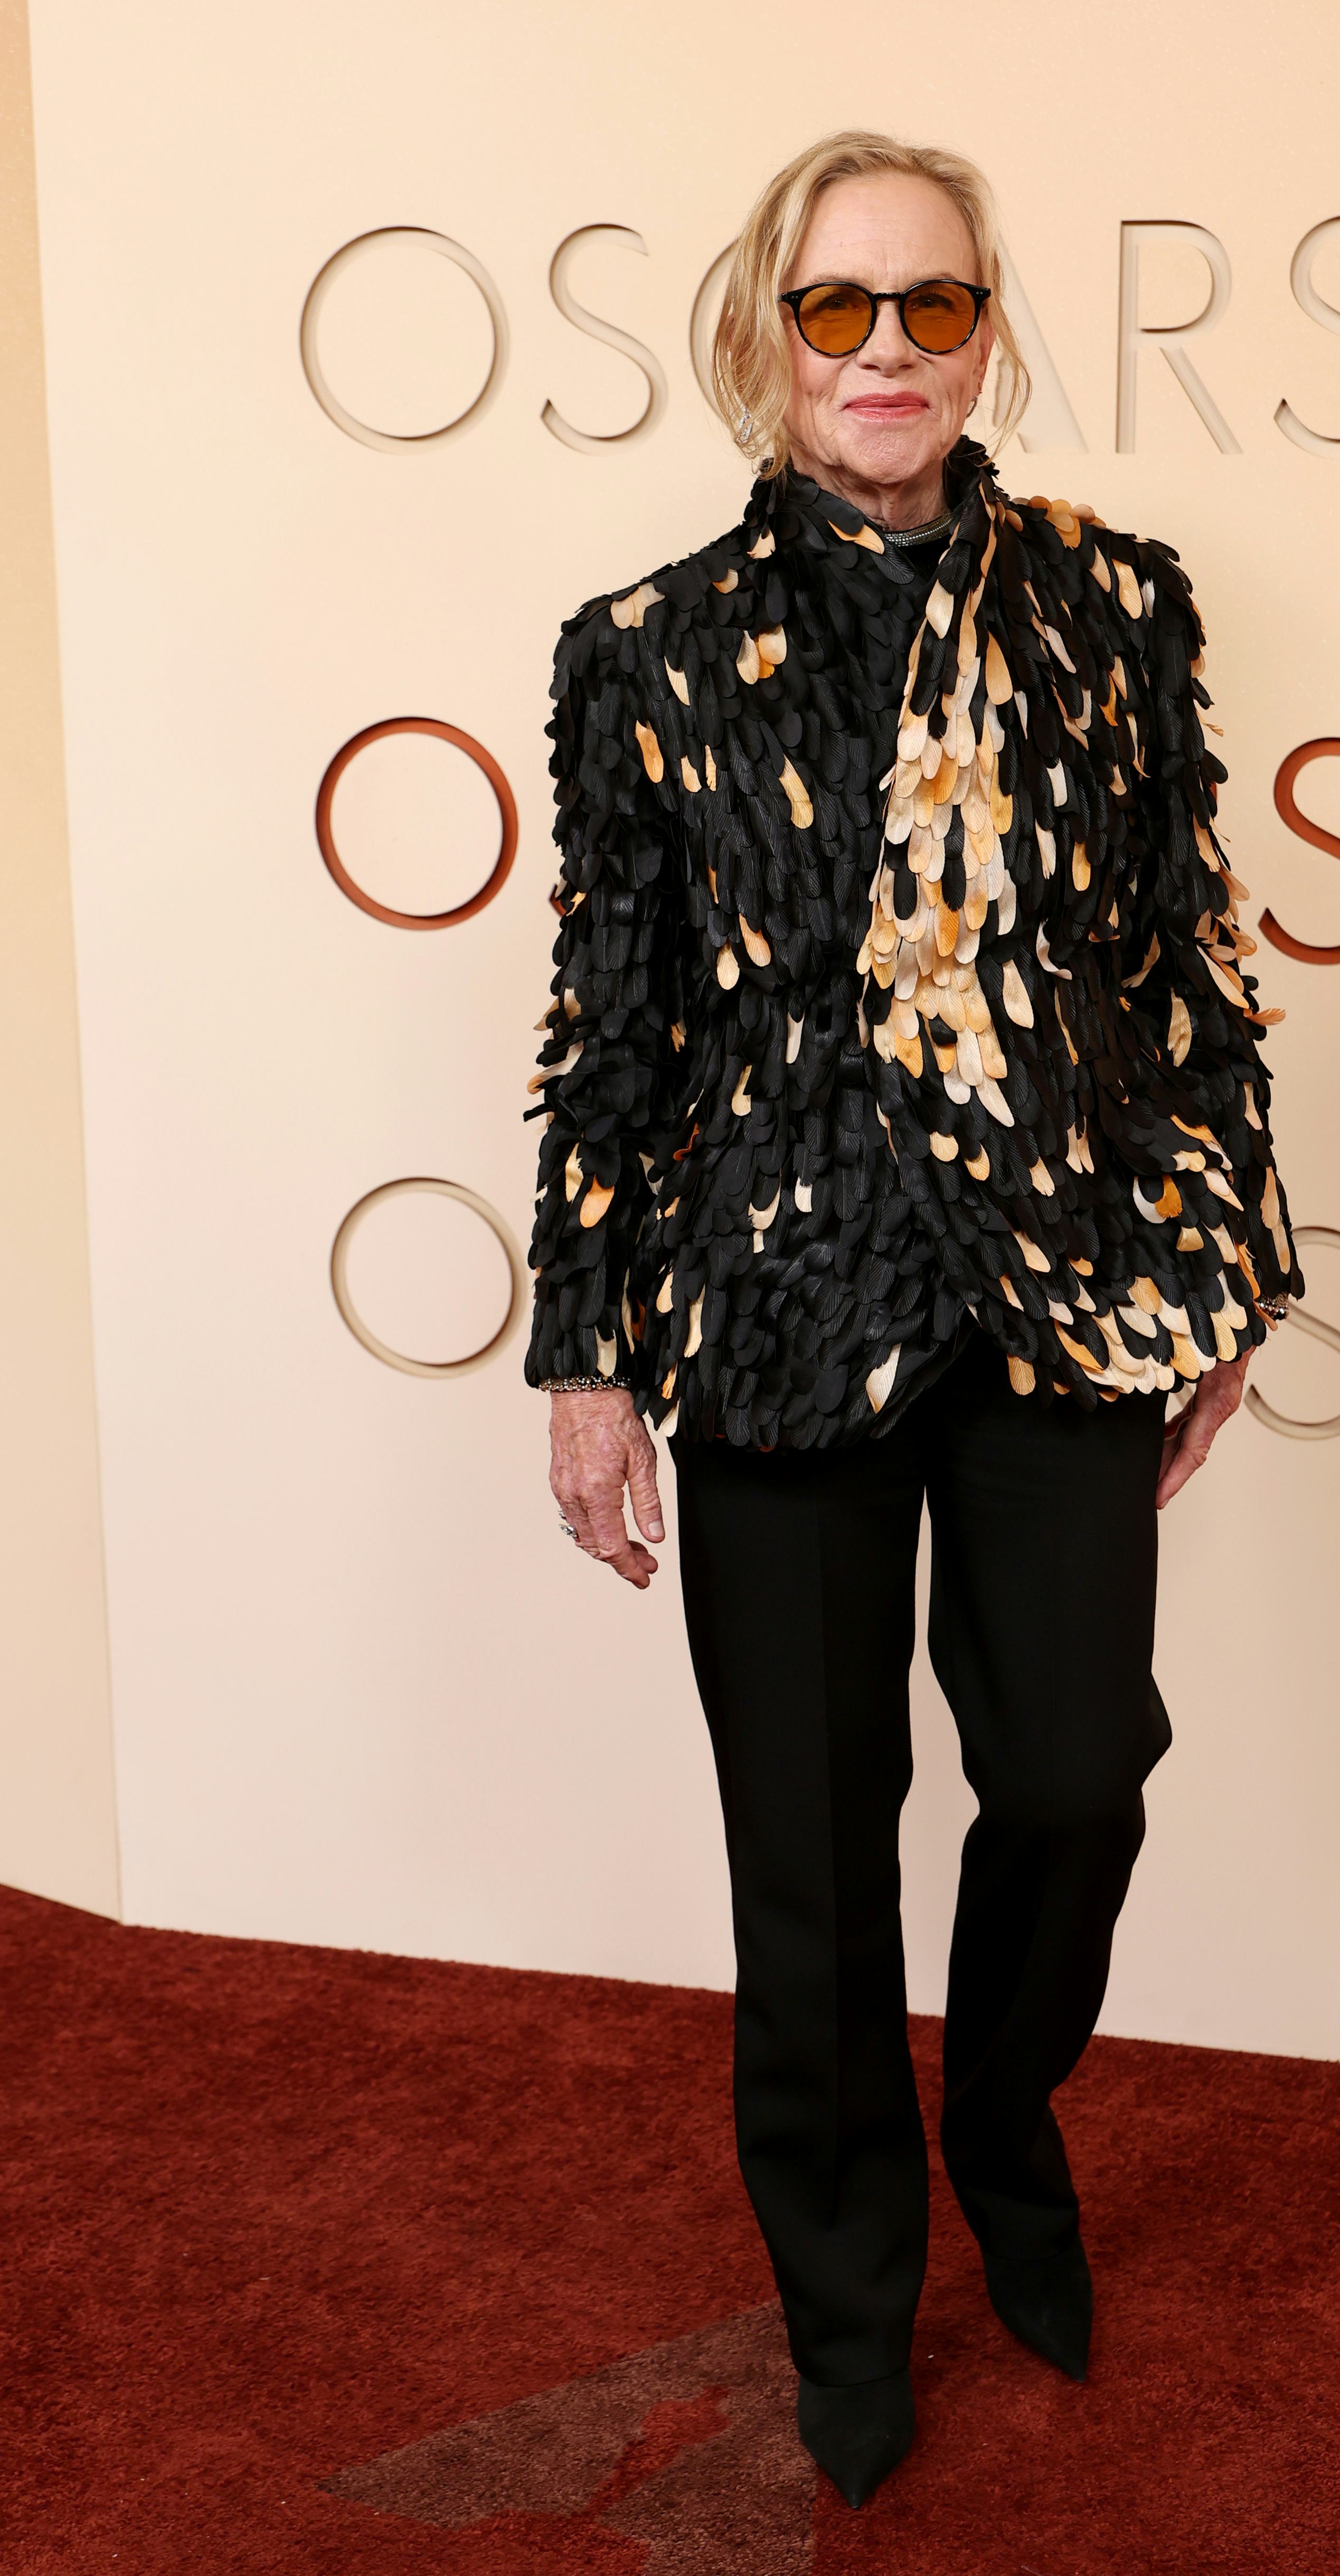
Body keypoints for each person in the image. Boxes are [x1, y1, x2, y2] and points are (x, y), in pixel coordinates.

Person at [527, 129, 1299, 2508]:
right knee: (813, 1845)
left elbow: (1185, 955)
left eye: (932, 306)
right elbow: (613, 1018)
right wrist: (581, 1344)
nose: (886, 351)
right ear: (767, 331)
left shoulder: (1110, 605)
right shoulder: (646, 653)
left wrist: (1225, 1260)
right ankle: (851, 2296)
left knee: (1075, 1768)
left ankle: (1004, 2120)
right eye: (840, 308)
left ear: (990, 330)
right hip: (769, 1316)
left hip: (1057, 1292)